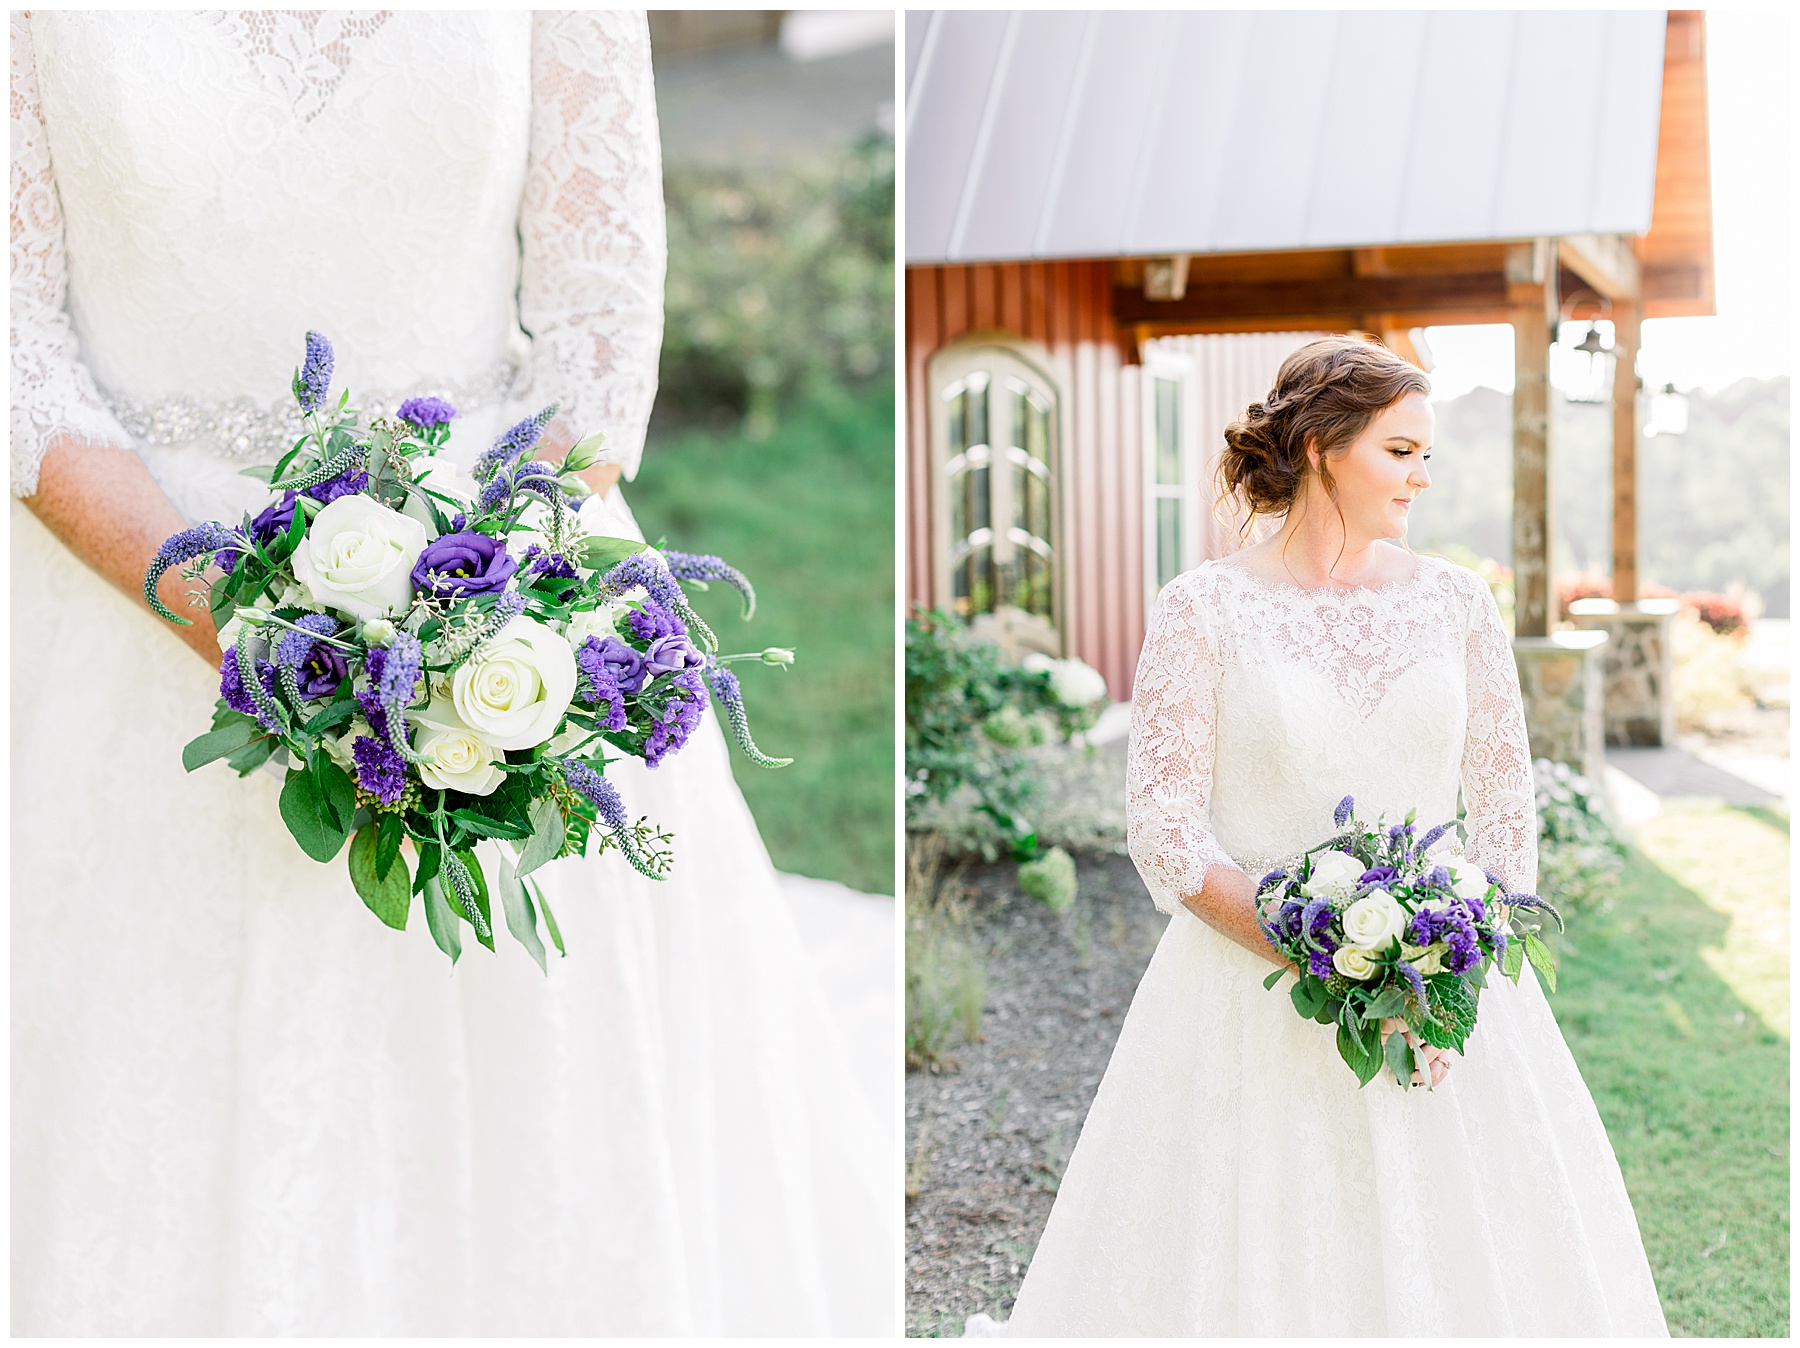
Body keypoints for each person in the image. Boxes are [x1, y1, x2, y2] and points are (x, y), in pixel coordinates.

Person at [11, 12, 889, 1335]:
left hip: (492, 584)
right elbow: (13, 340)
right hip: (122, 608)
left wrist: (473, 623)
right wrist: (250, 630)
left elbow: (598, 313)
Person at [979, 337, 1666, 1336]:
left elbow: (1505, 813)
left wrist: (1440, 976)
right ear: (1320, 448)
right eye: (1401, 451)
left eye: (1427, 455)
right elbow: (1165, 831)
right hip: (1244, 996)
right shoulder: (1202, 610)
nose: (1422, 476)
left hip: (1441, 994)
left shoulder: (1458, 605)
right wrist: (1328, 962)